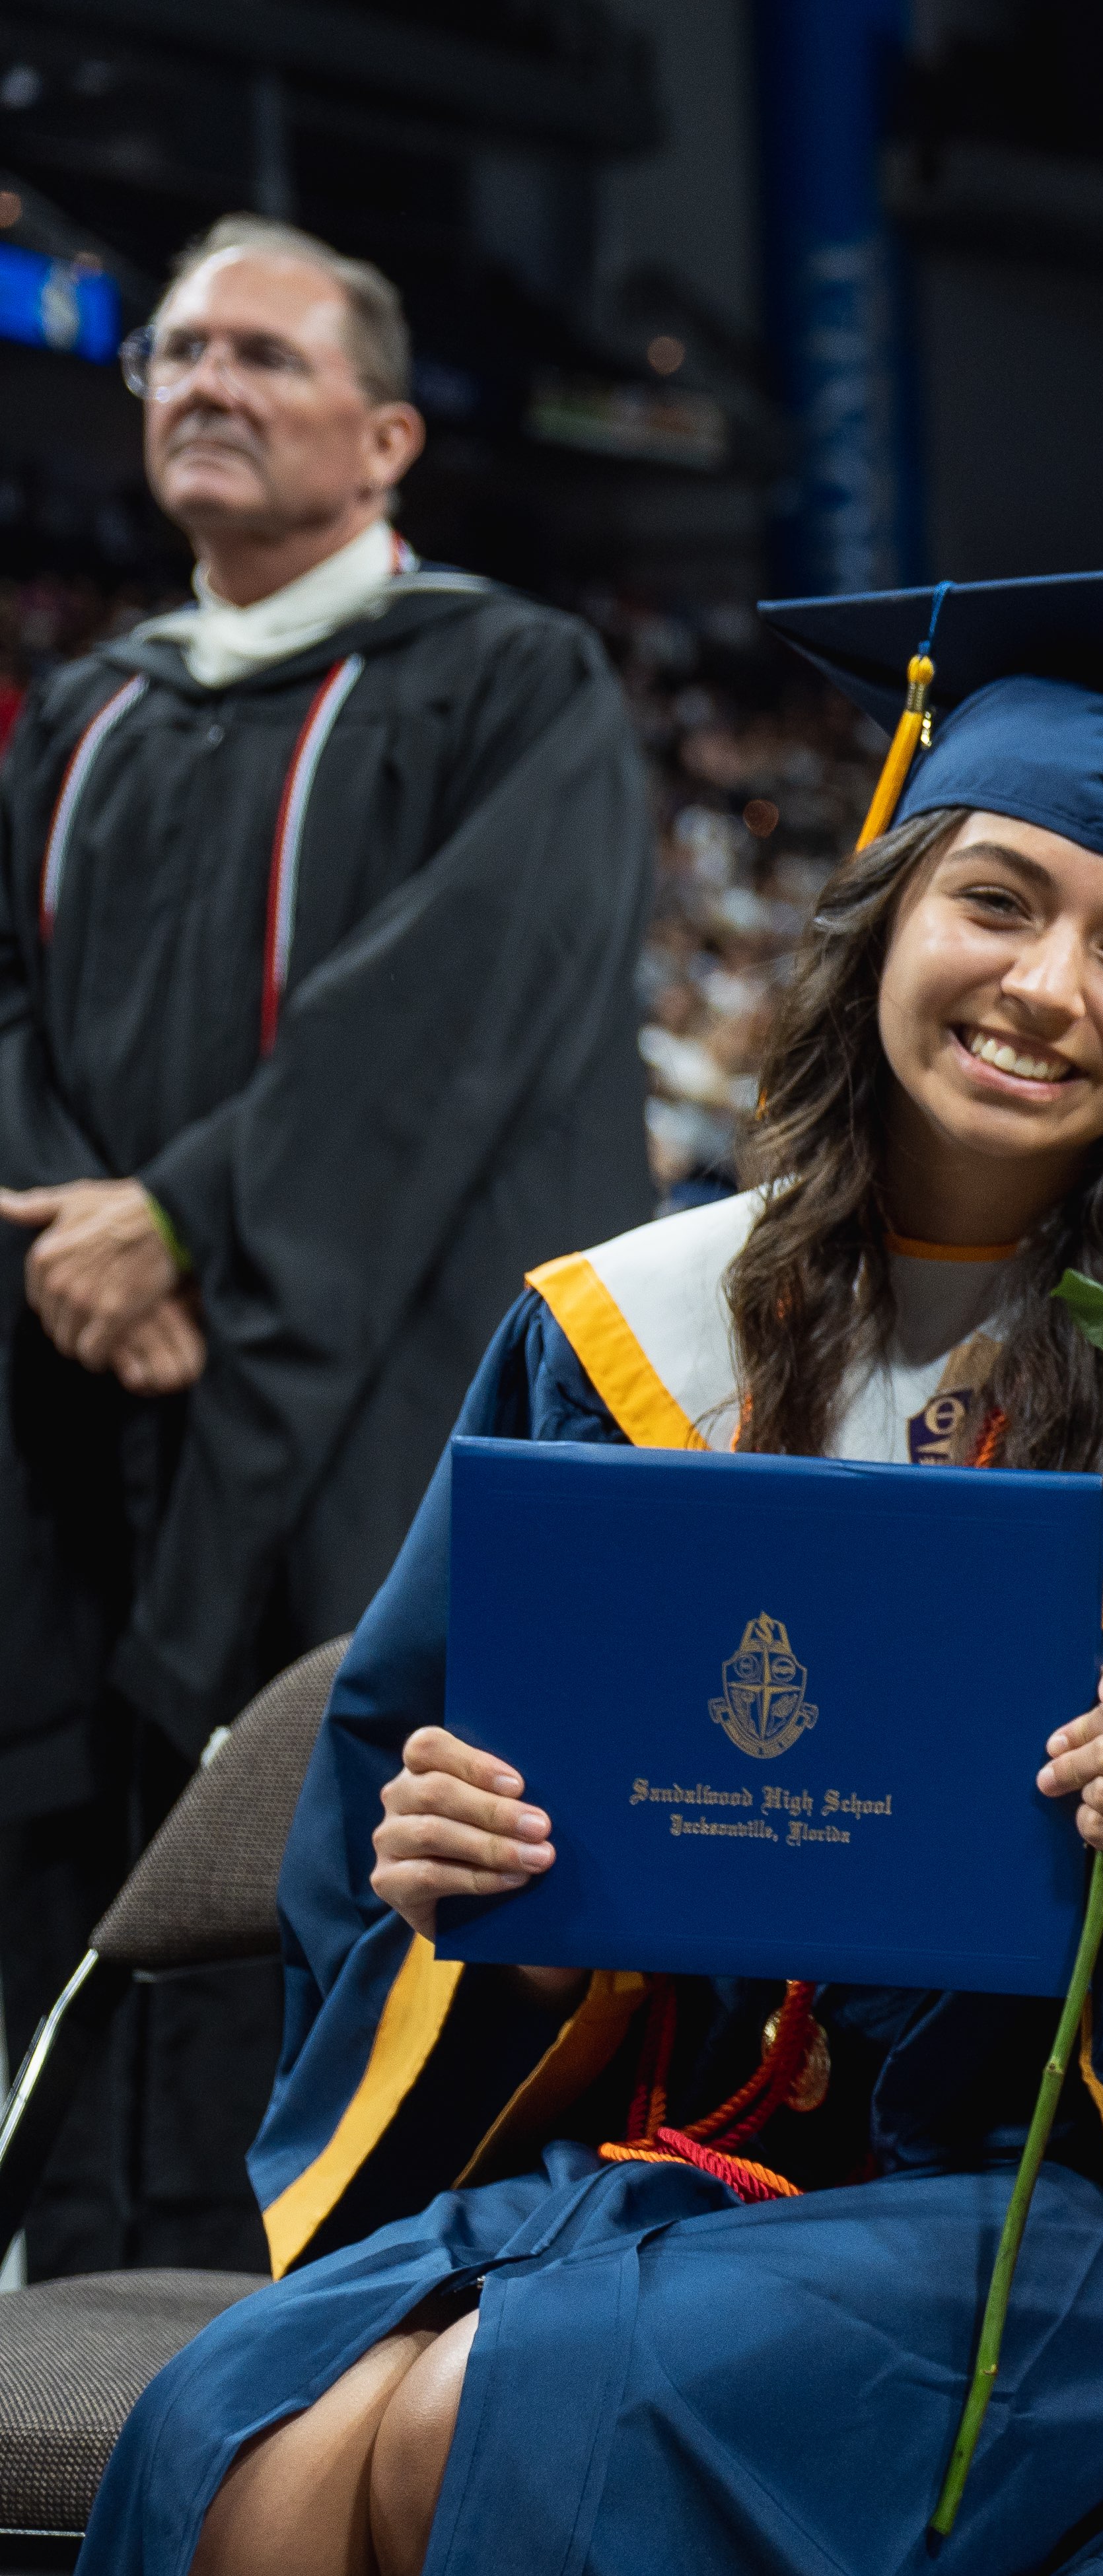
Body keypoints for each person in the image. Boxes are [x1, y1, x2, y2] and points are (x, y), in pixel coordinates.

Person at [59, 571, 1103, 2576]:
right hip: (650, 2159)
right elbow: (399, 1757)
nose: (1049, 985)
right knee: (237, 2483)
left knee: (491, 2433)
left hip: (1057, 2219)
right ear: (885, 910)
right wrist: (445, 1863)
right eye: (999, 898)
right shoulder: (626, 1326)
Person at [0, 213, 653, 2273]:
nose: (203, 381)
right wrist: (68, 1239)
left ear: (382, 440)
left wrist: (185, 1217)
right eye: (177, 352)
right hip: (80, 1394)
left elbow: (441, 1029)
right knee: (83, 1836)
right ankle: (77, 2336)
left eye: (262, 359)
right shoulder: (90, 709)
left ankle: (325, 2339)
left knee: (343, 1825)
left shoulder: (516, 684)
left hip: (376, 1393)